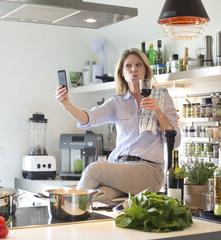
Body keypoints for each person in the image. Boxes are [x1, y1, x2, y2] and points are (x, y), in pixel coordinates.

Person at [55, 48, 181, 202]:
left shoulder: (162, 97)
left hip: (149, 172)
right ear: (122, 72)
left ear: (146, 71)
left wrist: (158, 112)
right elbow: (88, 118)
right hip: (120, 170)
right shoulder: (117, 102)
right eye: (128, 66)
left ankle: (70, 213)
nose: (133, 69)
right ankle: (77, 216)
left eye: (138, 65)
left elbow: (176, 141)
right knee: (96, 198)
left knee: (93, 170)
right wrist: (67, 105)